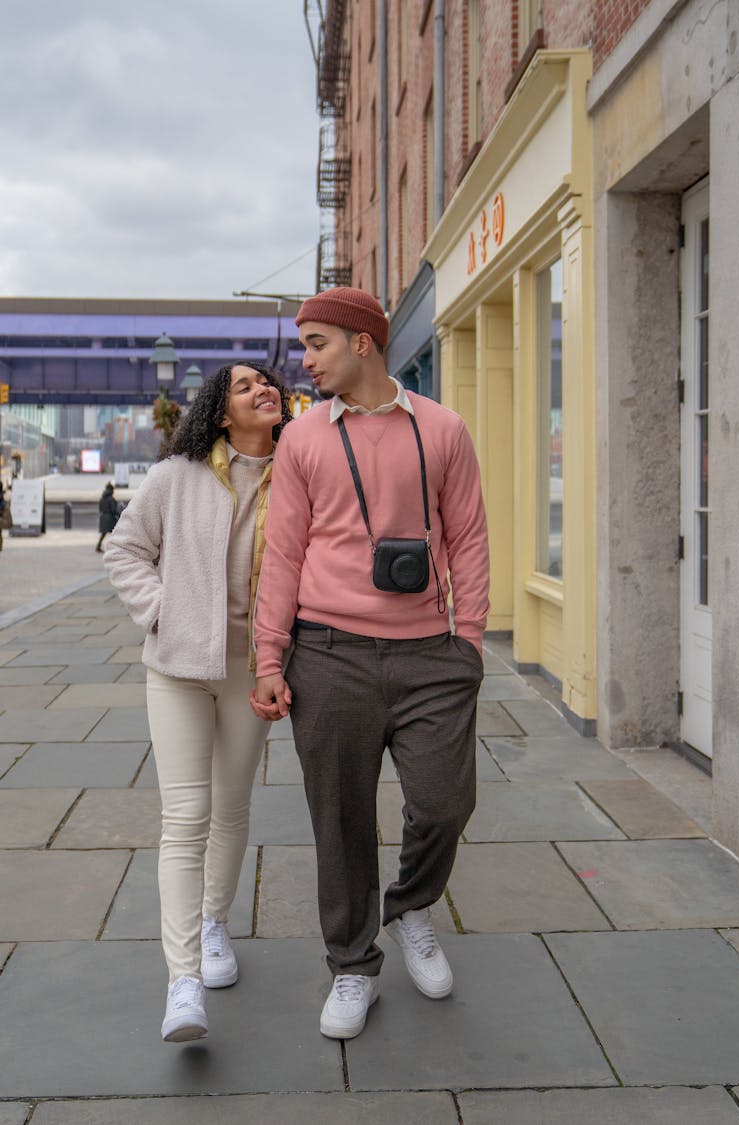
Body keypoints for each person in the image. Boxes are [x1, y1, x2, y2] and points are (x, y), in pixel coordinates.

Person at [251, 287, 489, 1041]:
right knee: (342, 819)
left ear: (363, 342)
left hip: (431, 653)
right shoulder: (303, 440)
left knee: (445, 802)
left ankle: (413, 903)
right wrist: (270, 655)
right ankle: (352, 964)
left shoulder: (444, 429)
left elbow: (471, 538)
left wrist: (471, 640)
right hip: (328, 653)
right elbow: (282, 551)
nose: (305, 361)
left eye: (317, 343)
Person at [104, 362, 292, 1043]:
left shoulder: (296, 472)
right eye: (245, 386)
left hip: (253, 669)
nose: (262, 389)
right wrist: (163, 614)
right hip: (179, 669)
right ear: (220, 412)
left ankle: (215, 922)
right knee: (186, 816)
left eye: (267, 381)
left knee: (232, 805)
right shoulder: (176, 475)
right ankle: (182, 981)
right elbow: (124, 550)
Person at [95, 482, 118, 552]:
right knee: (114, 533)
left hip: (103, 517)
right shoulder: (111, 499)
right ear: (111, 490)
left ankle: (98, 546)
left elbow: (100, 508)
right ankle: (114, 548)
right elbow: (114, 509)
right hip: (110, 518)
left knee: (104, 533)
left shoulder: (102, 498)